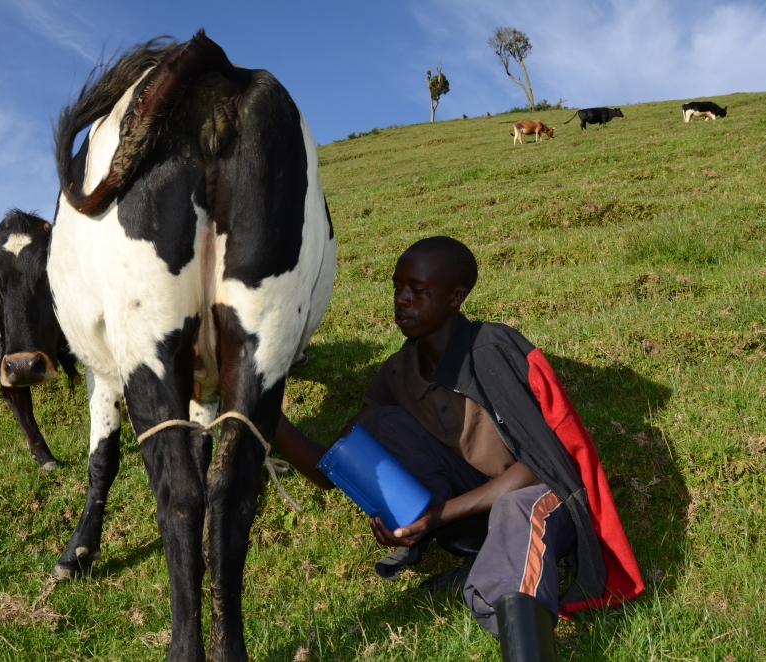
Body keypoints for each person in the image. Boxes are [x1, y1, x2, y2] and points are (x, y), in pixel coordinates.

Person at [272, 236, 643, 658]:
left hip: (541, 499)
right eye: (397, 288)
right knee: (381, 424)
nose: (402, 300)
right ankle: (481, 565)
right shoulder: (396, 373)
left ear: (456, 297)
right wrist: (267, 417)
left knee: (514, 507)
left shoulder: (491, 351)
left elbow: (542, 465)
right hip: (463, 517)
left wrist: (437, 516)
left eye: (418, 290)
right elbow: (330, 469)